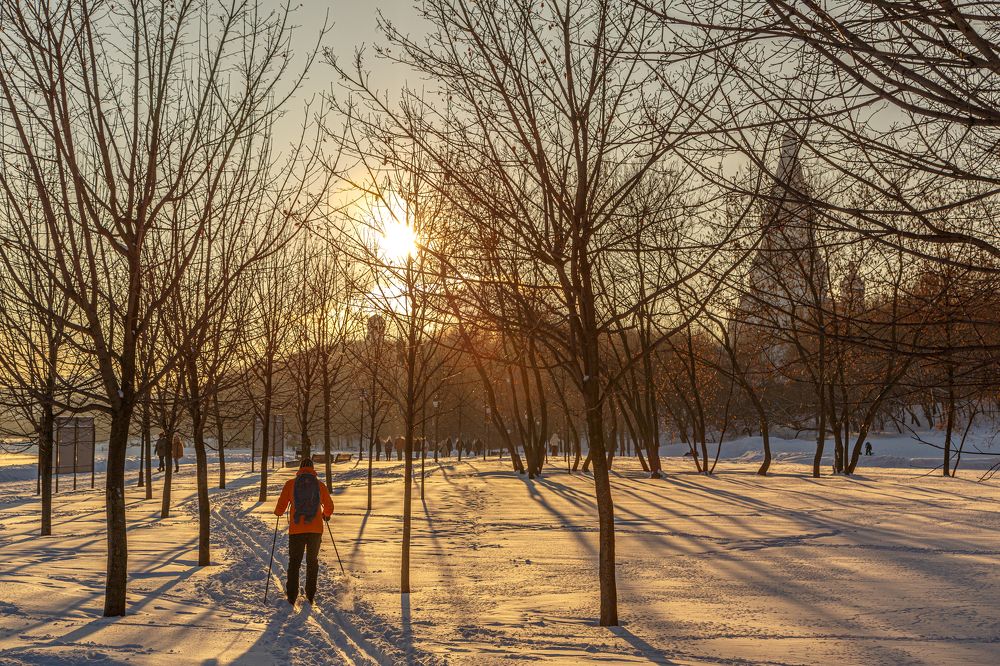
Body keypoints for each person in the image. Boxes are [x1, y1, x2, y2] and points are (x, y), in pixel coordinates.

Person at [274, 457, 334, 605]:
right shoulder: (319, 485)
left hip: (296, 530)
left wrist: (278, 512)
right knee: (312, 561)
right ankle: (310, 594)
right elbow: (329, 506)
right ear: (313, 469)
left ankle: (292, 596)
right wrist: (326, 515)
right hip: (315, 530)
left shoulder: (290, 484)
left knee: (295, 562)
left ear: (300, 469)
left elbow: (281, 506)